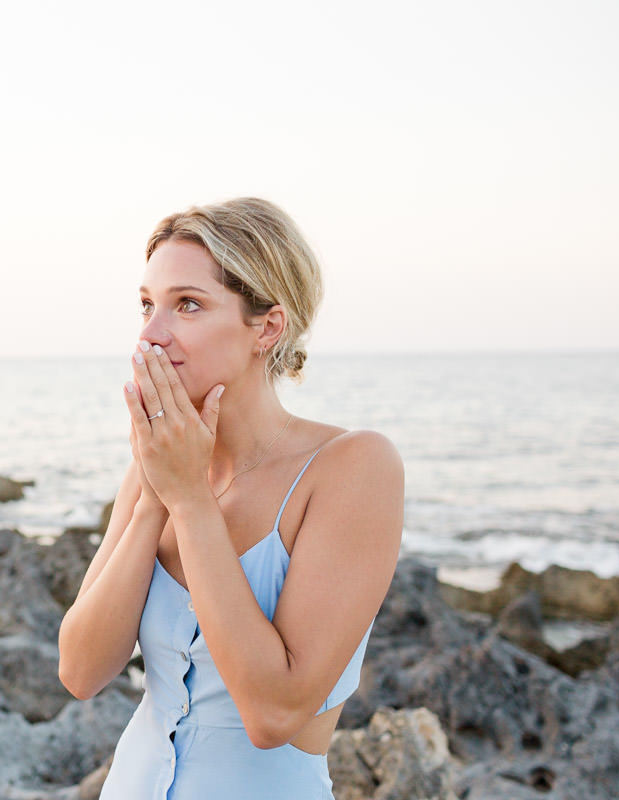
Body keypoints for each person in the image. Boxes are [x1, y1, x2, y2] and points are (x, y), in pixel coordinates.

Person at [58, 198, 403, 798]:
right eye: (147, 306)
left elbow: (273, 715)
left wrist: (191, 501)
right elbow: (81, 672)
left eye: (187, 305)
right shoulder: (154, 470)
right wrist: (154, 502)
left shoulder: (354, 468)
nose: (151, 335)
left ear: (267, 327)